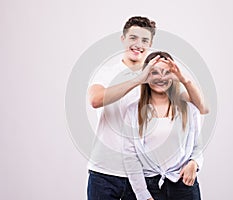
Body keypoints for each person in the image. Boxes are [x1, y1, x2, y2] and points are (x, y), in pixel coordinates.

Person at [87, 16, 207, 200]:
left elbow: (199, 105)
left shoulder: (158, 77)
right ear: (123, 39)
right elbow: (95, 99)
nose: (138, 44)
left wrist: (181, 78)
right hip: (105, 172)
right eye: (133, 38)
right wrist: (138, 79)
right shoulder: (107, 72)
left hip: (143, 175)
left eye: (144, 40)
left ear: (150, 44)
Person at [123, 51, 203, 200]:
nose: (161, 78)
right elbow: (130, 158)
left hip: (183, 185)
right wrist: (142, 194)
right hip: (147, 186)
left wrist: (194, 163)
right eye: (154, 72)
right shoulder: (132, 112)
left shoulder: (189, 109)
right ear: (146, 75)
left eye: (167, 72)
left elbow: (197, 147)